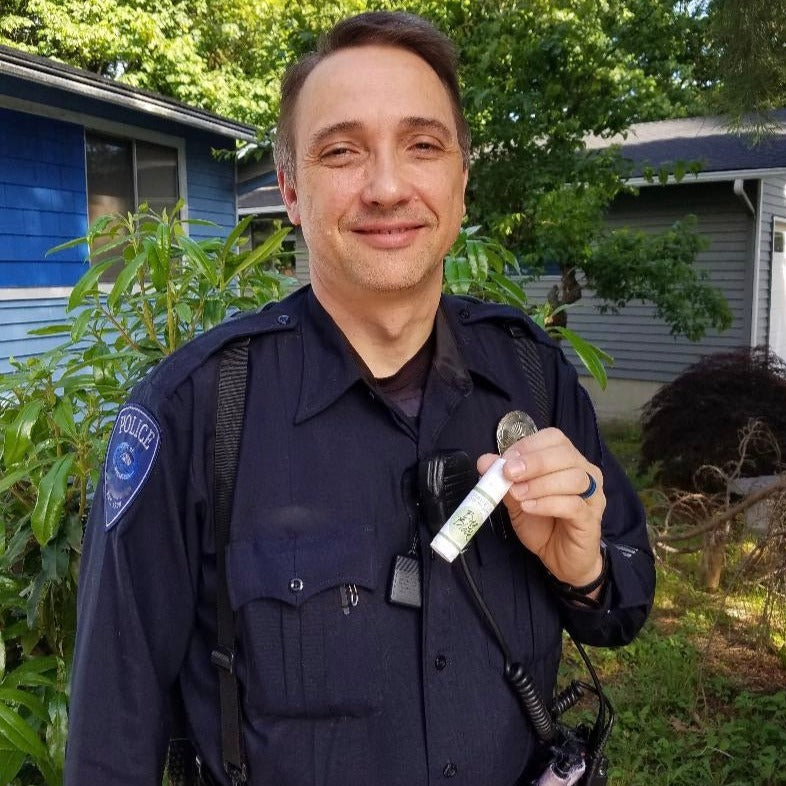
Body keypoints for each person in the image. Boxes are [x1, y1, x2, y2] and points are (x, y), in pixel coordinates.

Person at [65, 11, 655, 786]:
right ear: (290, 189)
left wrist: (583, 571)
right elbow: (112, 739)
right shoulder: (196, 415)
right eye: (341, 151)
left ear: (461, 179)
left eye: (423, 145)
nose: (385, 186)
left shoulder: (530, 375)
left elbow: (622, 604)